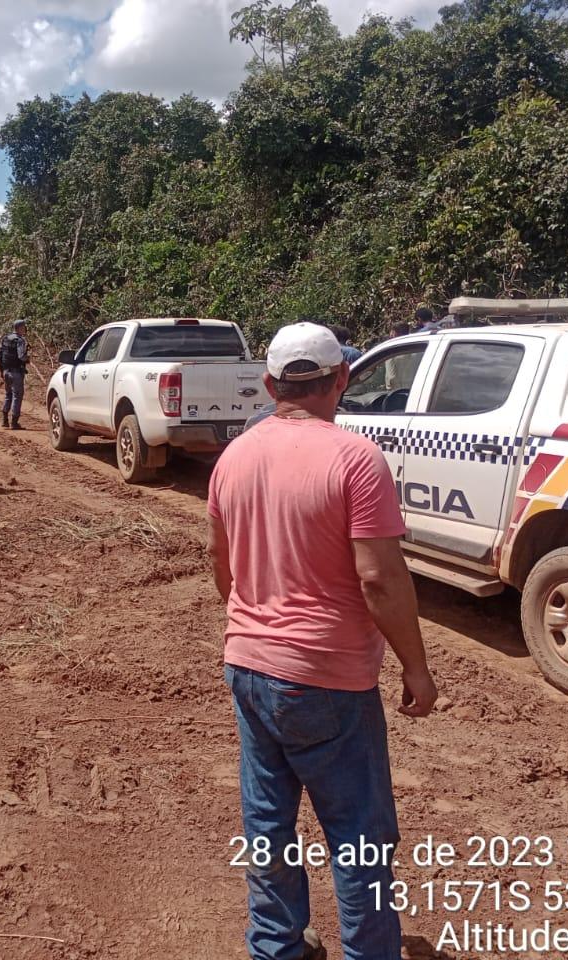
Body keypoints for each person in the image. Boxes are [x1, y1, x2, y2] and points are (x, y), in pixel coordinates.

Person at [207, 322, 439, 960]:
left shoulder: (234, 458)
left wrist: (259, 626)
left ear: (269, 385)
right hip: (329, 678)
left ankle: (278, 946)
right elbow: (380, 580)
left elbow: (221, 569)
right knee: (359, 834)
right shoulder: (355, 459)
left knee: (268, 820)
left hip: (248, 665)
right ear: (341, 379)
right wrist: (416, 668)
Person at [0, 319, 30, 430]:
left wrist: (2, 371)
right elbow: (21, 356)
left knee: (8, 395)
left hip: (6, 372)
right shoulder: (20, 340)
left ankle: (4, 420)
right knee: (17, 396)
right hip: (16, 372)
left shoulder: (5, 339)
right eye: (24, 327)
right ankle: (14, 423)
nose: (25, 329)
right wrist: (27, 359)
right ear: (20, 328)